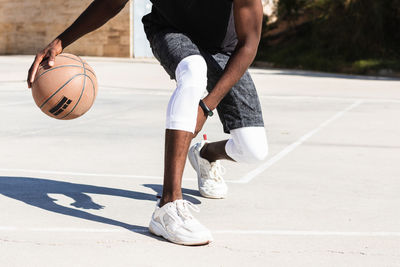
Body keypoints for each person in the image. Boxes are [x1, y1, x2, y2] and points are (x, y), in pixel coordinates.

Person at [27, 0, 268, 246]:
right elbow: (110, 4)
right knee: (193, 71)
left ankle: (206, 154)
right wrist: (60, 42)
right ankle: (168, 206)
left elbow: (249, 43)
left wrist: (207, 106)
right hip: (170, 30)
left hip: (224, 50)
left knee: (253, 150)